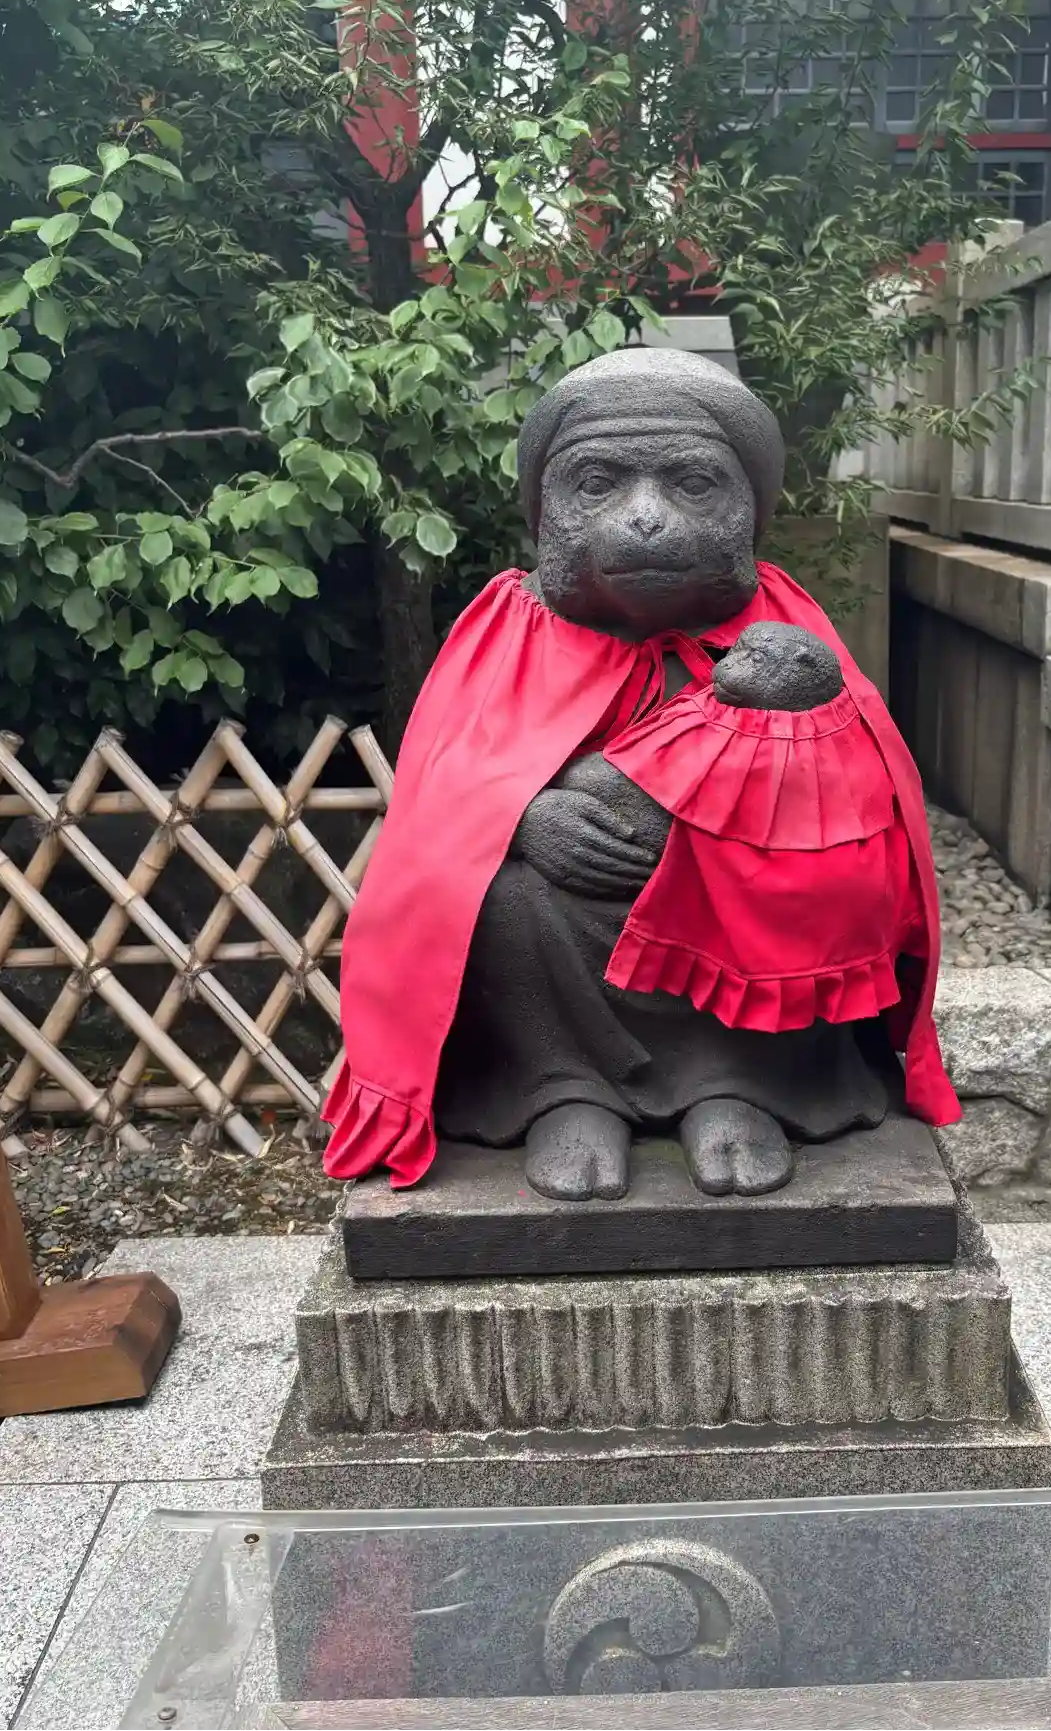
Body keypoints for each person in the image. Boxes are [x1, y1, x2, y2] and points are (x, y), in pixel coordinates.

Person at [322, 349, 959, 1200]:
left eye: (692, 484)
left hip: (733, 914)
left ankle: (742, 1086)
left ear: (750, 508)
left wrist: (739, 820)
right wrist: (521, 819)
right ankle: (561, 1088)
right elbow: (443, 787)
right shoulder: (507, 625)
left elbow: (863, 794)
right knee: (492, 898)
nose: (646, 518)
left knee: (811, 881)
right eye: (597, 483)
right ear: (544, 508)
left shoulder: (783, 627)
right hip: (562, 913)